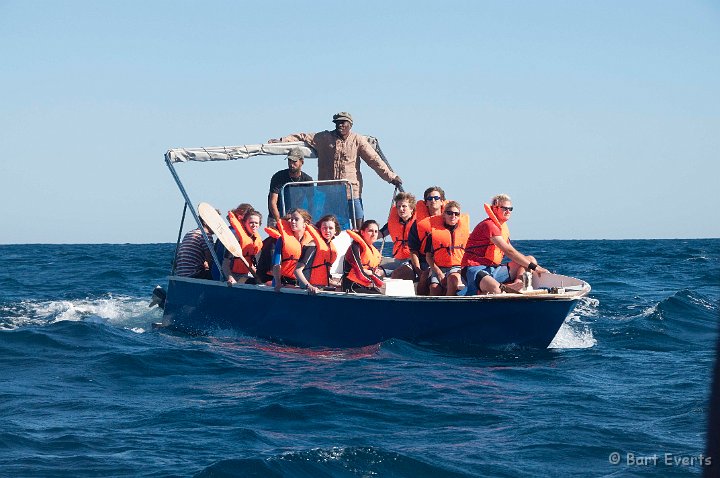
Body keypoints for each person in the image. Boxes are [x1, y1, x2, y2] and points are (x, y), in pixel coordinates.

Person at [268, 112, 403, 226]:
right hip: (328, 191)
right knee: (328, 221)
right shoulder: (323, 138)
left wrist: (391, 177)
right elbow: (302, 137)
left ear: (350, 125)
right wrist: (281, 140)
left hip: (351, 191)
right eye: (337, 123)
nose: (340, 125)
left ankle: (359, 245)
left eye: (344, 122)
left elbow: (375, 160)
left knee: (358, 220)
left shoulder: (358, 140)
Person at [461, 194, 549, 295]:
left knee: (530, 259)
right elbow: (509, 251)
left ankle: (517, 285)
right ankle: (488, 290)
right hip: (473, 268)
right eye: (504, 208)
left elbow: (512, 251)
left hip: (493, 269)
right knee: (495, 289)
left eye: (510, 209)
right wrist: (536, 268)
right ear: (495, 208)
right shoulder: (489, 225)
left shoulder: (502, 228)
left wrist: (534, 265)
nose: (508, 211)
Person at [407, 186, 446, 294]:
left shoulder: (450, 221)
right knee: (399, 274)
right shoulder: (418, 225)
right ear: (426, 203)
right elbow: (413, 250)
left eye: (436, 198)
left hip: (445, 261)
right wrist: (419, 270)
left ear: (442, 201)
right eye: (430, 199)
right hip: (424, 261)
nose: (433, 200)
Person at [426, 201, 469, 296]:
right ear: (444, 215)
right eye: (449, 213)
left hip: (457, 268)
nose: (453, 216)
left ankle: (447, 305)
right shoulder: (433, 234)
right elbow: (428, 257)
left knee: (452, 280)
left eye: (456, 214)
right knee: (434, 288)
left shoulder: (466, 234)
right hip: (438, 267)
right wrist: (439, 273)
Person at [294, 214, 341, 294]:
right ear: (320, 229)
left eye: (330, 228)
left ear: (335, 231)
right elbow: (297, 270)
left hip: (322, 288)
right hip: (308, 290)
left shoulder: (330, 248)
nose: (327, 231)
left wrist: (337, 284)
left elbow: (322, 275)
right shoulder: (312, 245)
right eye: (324, 228)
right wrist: (309, 286)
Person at [267, 148, 313, 228]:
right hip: (277, 217)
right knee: (275, 238)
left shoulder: (307, 180)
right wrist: (279, 221)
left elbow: (311, 203)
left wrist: (307, 220)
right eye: (289, 161)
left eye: (294, 161)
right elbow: (273, 202)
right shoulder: (278, 177)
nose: (291, 164)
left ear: (302, 162)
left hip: (298, 218)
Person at [272, 208, 313, 292]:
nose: (292, 222)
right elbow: (276, 264)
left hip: (302, 283)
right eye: (292, 219)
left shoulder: (311, 242)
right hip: (282, 283)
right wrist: (278, 283)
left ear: (305, 223)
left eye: (296, 219)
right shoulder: (282, 240)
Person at [380, 192, 417, 280]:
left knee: (397, 274)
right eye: (398, 207)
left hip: (412, 261)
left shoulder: (418, 224)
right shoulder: (394, 222)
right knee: (376, 271)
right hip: (398, 260)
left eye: (404, 206)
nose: (401, 209)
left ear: (411, 208)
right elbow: (380, 234)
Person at [342, 220, 384, 294]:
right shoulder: (355, 247)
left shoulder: (373, 250)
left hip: (366, 285)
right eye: (370, 231)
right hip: (352, 286)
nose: (373, 234)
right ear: (362, 232)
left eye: (376, 231)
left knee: (381, 295)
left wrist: (371, 273)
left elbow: (376, 273)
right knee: (378, 297)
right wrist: (374, 277)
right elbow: (359, 273)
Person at [223, 209, 263, 284]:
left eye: (256, 223)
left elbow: (252, 264)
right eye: (251, 223)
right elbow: (225, 264)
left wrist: (258, 277)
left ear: (259, 225)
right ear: (245, 223)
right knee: (252, 282)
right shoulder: (236, 240)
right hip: (234, 276)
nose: (254, 225)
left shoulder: (256, 241)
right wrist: (230, 277)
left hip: (247, 275)